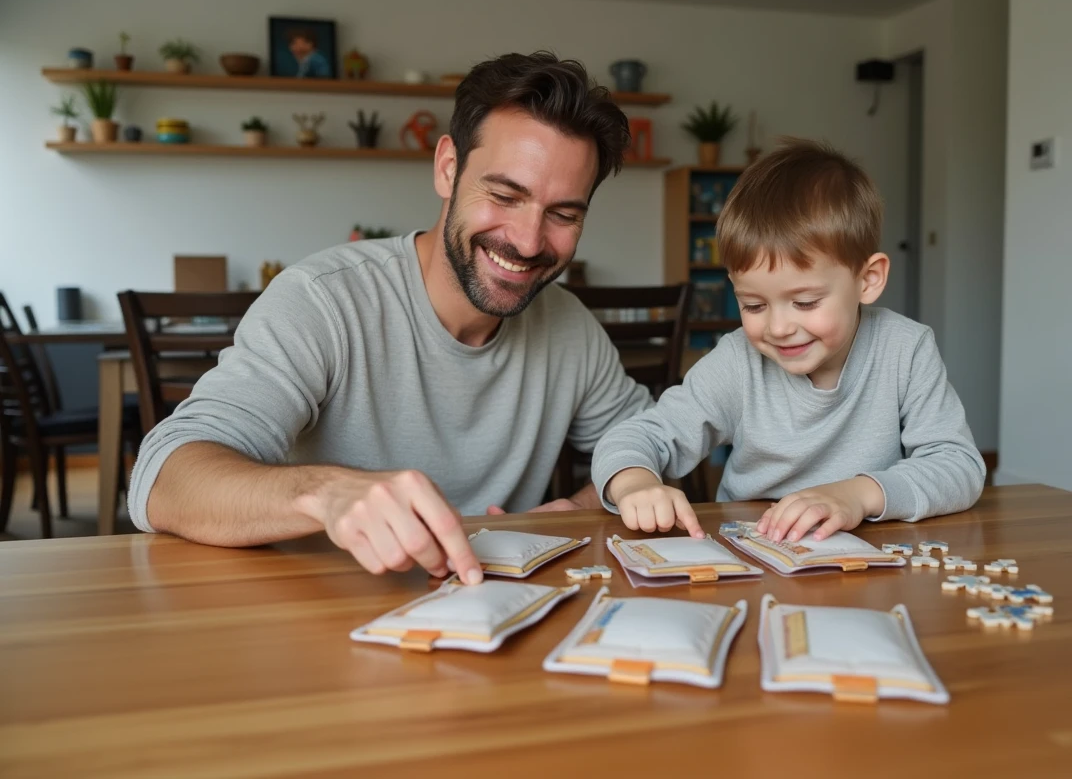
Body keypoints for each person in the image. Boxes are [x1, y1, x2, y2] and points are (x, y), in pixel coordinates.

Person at [129, 52, 651, 584]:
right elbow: (163, 480)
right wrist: (325, 494)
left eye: (563, 214)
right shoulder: (323, 301)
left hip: (487, 614)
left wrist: (584, 504)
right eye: (503, 195)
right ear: (448, 168)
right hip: (315, 610)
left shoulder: (569, 325)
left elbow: (655, 444)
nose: (528, 240)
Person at [592, 138, 985, 542]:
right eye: (754, 305)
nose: (778, 328)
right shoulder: (738, 361)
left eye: (805, 301)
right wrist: (634, 483)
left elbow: (959, 466)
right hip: (754, 554)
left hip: (871, 556)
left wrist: (857, 495)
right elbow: (638, 435)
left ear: (868, 280)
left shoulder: (906, 348)